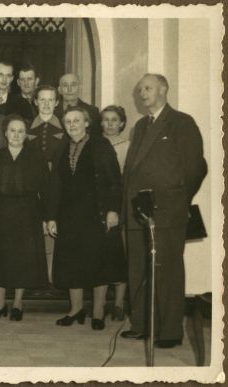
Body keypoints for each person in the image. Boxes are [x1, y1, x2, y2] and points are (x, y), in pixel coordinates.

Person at [121, 74, 207, 348]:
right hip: (139, 211)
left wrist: (177, 200)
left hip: (168, 211)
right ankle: (142, 324)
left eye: (147, 88)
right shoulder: (141, 125)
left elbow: (196, 168)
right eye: (139, 89)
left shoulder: (182, 123)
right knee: (139, 268)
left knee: (167, 270)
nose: (142, 93)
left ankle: (169, 331)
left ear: (163, 90)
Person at [47, 106, 123, 331]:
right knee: (71, 262)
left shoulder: (101, 145)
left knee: (97, 262)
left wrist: (112, 210)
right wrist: (51, 216)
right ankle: (76, 309)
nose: (72, 125)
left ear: (87, 123)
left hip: (95, 214)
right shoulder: (61, 147)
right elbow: (54, 185)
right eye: (68, 121)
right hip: (68, 214)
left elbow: (114, 181)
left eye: (76, 120)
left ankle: (98, 313)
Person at [0, 115, 51, 321]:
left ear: (26, 134)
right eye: (12, 131)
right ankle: (0, 304)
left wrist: (47, 217)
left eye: (20, 131)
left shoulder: (36, 156)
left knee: (22, 259)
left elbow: (46, 188)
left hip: (27, 212)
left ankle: (18, 303)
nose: (16, 135)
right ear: (5, 133)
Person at [27, 85, 67, 284]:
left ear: (57, 103)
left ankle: (52, 275)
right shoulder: (26, 128)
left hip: (55, 183)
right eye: (42, 100)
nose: (46, 104)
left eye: (50, 100)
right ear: (35, 102)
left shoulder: (65, 129)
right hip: (32, 184)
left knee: (53, 224)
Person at [101, 105, 130, 321]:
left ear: (121, 123)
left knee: (119, 253)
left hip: (119, 204)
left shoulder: (128, 146)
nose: (109, 124)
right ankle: (99, 305)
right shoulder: (94, 144)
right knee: (100, 253)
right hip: (98, 204)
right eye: (106, 119)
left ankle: (119, 303)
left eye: (114, 120)